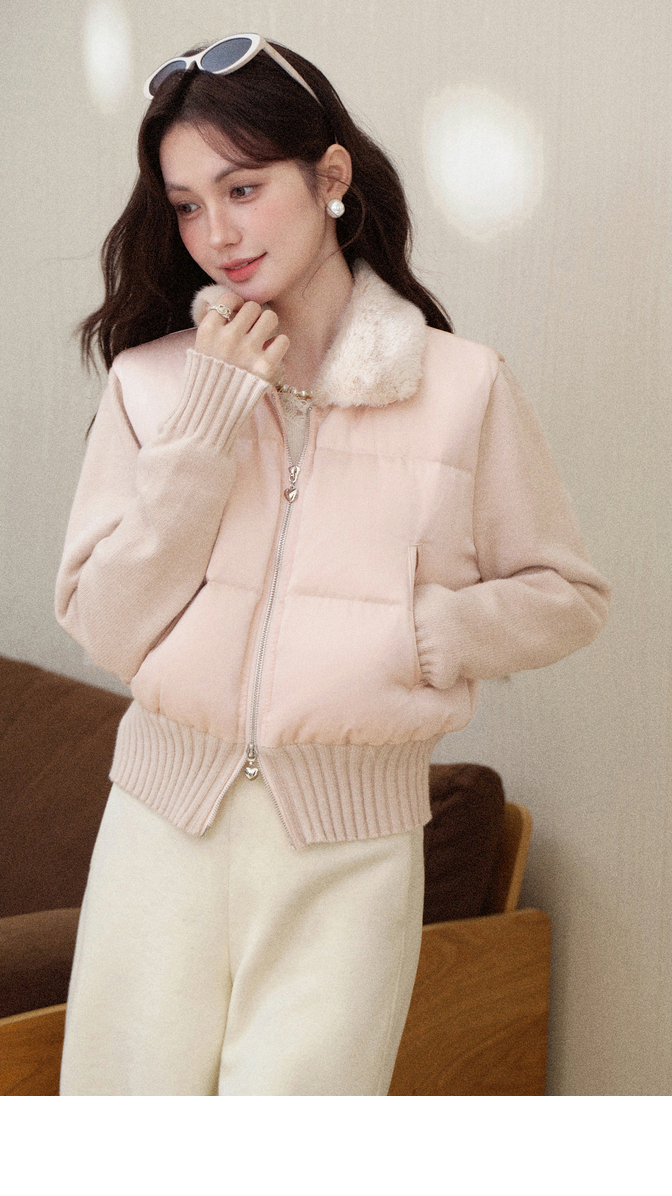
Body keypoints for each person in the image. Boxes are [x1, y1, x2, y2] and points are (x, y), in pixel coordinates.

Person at [55, 34, 610, 1096]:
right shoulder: (153, 385)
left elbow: (567, 595)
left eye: (244, 188)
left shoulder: (463, 386)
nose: (218, 234)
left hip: (348, 856)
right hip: (157, 835)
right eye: (187, 206)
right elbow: (106, 620)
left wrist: (415, 636)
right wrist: (208, 423)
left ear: (331, 176)